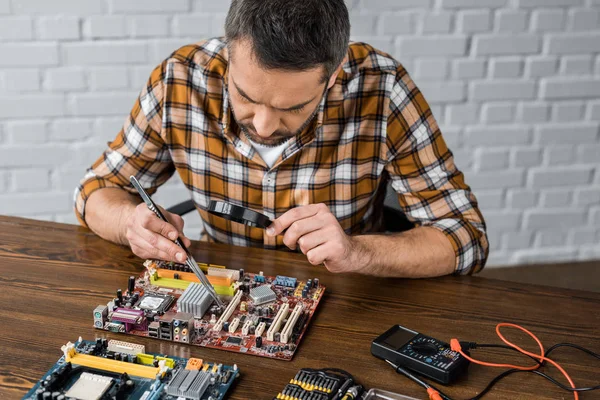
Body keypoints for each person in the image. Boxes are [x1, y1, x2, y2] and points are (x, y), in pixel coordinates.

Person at [74, 0, 488, 278]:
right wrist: (131, 222)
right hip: (222, 292)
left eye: (293, 107)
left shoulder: (383, 89)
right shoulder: (180, 80)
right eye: (247, 97)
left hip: (346, 297)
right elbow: (95, 192)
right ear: (229, 52)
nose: (265, 125)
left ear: (335, 70)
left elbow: (465, 236)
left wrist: (358, 252)